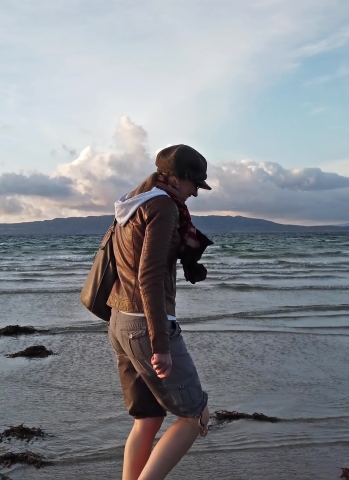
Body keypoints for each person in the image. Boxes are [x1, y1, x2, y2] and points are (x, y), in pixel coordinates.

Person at [107, 144, 213, 480]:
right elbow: (149, 277)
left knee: (148, 419)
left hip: (120, 321)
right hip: (145, 325)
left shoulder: (131, 204)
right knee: (196, 416)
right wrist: (161, 344)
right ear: (178, 178)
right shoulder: (165, 207)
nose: (196, 192)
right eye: (195, 184)